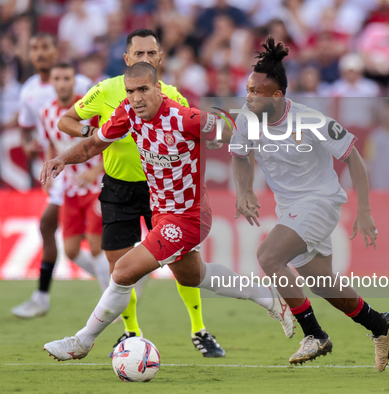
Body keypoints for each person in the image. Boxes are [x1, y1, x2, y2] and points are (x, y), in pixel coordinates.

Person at [40, 62, 294, 362]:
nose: (136, 98)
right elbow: (94, 144)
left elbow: (237, 136)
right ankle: (267, 297)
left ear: (158, 89)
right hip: (161, 212)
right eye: (131, 91)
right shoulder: (127, 113)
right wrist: (62, 159)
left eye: (143, 90)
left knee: (122, 271)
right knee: (193, 276)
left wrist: (253, 179)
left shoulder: (186, 118)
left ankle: (81, 341)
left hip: (189, 217)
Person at [230, 36, 389, 372]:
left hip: (320, 201)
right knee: (322, 283)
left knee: (268, 256)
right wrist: (244, 191)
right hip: (290, 207)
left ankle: (315, 334)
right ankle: (380, 324)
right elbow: (240, 156)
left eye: (255, 92)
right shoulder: (246, 119)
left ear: (277, 96)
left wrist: (363, 212)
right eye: (247, 89)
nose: (248, 97)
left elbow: (354, 158)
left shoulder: (310, 120)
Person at [57, 29, 225, 358]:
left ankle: (198, 329)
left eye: (151, 54)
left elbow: (194, 141)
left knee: (183, 264)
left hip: (161, 190)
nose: (145, 59)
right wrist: (93, 132)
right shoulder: (106, 91)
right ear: (126, 59)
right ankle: (130, 331)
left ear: (160, 59)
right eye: (139, 54)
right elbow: (68, 121)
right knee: (118, 265)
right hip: (118, 188)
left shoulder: (173, 96)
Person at [10, 34, 94, 319]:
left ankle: (112, 280)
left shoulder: (81, 84)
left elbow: (101, 122)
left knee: (59, 227)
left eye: (45, 47)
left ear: (55, 51)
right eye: (34, 48)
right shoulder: (29, 91)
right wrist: (29, 147)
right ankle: (45, 295)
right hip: (62, 172)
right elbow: (29, 129)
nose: (40, 53)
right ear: (30, 54)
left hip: (88, 169)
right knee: (49, 227)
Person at [38, 63, 110, 290]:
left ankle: (112, 301)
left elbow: (110, 141)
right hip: (70, 188)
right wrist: (49, 173)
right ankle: (114, 284)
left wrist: (95, 171)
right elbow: (50, 143)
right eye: (57, 78)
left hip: (97, 185)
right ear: (51, 81)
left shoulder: (88, 108)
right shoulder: (47, 112)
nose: (62, 83)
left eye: (66, 78)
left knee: (95, 243)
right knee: (71, 250)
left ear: (74, 81)